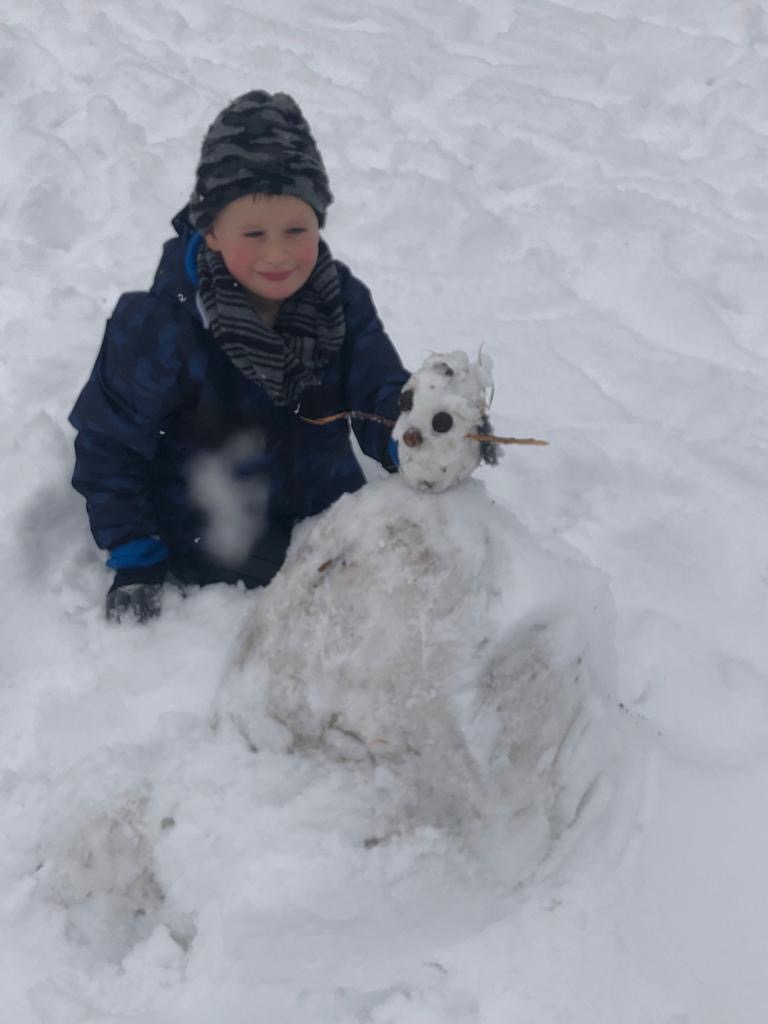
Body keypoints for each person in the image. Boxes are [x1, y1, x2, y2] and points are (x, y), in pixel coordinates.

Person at [69, 90, 408, 623]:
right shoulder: (159, 326)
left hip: (327, 530)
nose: (278, 253)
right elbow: (109, 447)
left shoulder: (338, 300)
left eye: (296, 230)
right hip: (216, 552)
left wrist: (416, 435)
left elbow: (378, 391)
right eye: (253, 233)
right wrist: (135, 557)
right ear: (211, 232)